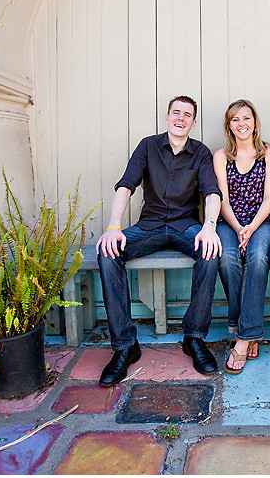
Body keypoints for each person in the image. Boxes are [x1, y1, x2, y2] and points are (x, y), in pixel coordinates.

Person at [95, 95, 222, 386]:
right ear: (167, 117)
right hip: (149, 227)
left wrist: (210, 227)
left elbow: (212, 192)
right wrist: (114, 227)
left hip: (185, 227)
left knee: (211, 252)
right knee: (107, 252)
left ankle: (194, 338)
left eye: (187, 115)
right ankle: (125, 346)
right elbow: (126, 186)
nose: (180, 118)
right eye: (175, 113)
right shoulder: (148, 146)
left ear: (193, 121)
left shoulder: (200, 153)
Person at [212, 99, 270, 374]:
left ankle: (243, 336)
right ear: (229, 125)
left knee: (257, 257)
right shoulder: (220, 156)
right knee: (227, 258)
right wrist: (239, 227)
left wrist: (251, 226)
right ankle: (245, 330)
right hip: (229, 221)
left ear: (255, 122)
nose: (242, 124)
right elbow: (223, 200)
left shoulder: (269, 153)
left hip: (262, 221)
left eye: (246, 118)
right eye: (235, 119)